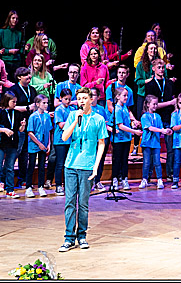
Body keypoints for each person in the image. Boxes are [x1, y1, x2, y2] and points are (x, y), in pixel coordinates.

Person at [59, 87, 108, 251]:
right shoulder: (73, 115)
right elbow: (64, 137)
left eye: (84, 98)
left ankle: (82, 236)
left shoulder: (99, 119)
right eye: (79, 98)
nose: (81, 101)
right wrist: (75, 121)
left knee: (83, 204)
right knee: (70, 203)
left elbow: (101, 143)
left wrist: (96, 167)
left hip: (87, 166)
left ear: (91, 99)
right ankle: (68, 238)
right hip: (71, 165)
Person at [0, 92, 23, 200]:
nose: (15, 104)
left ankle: (10, 190)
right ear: (6, 101)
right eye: (13, 102)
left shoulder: (17, 114)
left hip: (12, 144)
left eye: (15, 102)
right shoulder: (0, 113)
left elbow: (20, 130)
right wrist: (4, 130)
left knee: (10, 168)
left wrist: (22, 126)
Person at [111, 86, 141, 191]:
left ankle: (124, 179)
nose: (126, 97)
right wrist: (134, 132)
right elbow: (120, 125)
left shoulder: (124, 108)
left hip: (126, 139)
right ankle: (115, 179)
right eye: (124, 95)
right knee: (117, 160)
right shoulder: (117, 109)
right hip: (118, 139)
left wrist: (134, 122)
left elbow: (128, 119)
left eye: (127, 95)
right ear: (118, 96)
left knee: (124, 160)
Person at [24, 94, 53, 198]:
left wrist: (49, 143)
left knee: (41, 166)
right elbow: (30, 132)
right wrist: (39, 144)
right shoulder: (33, 116)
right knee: (31, 166)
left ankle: (40, 186)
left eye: (47, 103)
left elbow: (49, 131)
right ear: (37, 104)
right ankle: (28, 187)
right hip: (34, 144)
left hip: (44, 145)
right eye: (43, 103)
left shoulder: (47, 116)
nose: (46, 105)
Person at [51, 88, 74, 195]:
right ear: (60, 98)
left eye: (69, 99)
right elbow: (61, 124)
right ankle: (58, 185)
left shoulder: (71, 109)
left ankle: (67, 185)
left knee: (68, 163)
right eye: (65, 99)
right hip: (60, 140)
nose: (68, 101)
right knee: (60, 163)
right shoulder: (59, 110)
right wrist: (73, 121)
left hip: (69, 140)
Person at [0, 10, 26, 74]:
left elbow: (21, 47)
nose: (15, 20)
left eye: (17, 19)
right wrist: (8, 51)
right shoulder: (1, 32)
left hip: (17, 61)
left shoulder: (19, 33)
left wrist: (24, 48)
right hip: (5, 61)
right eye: (13, 18)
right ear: (9, 18)